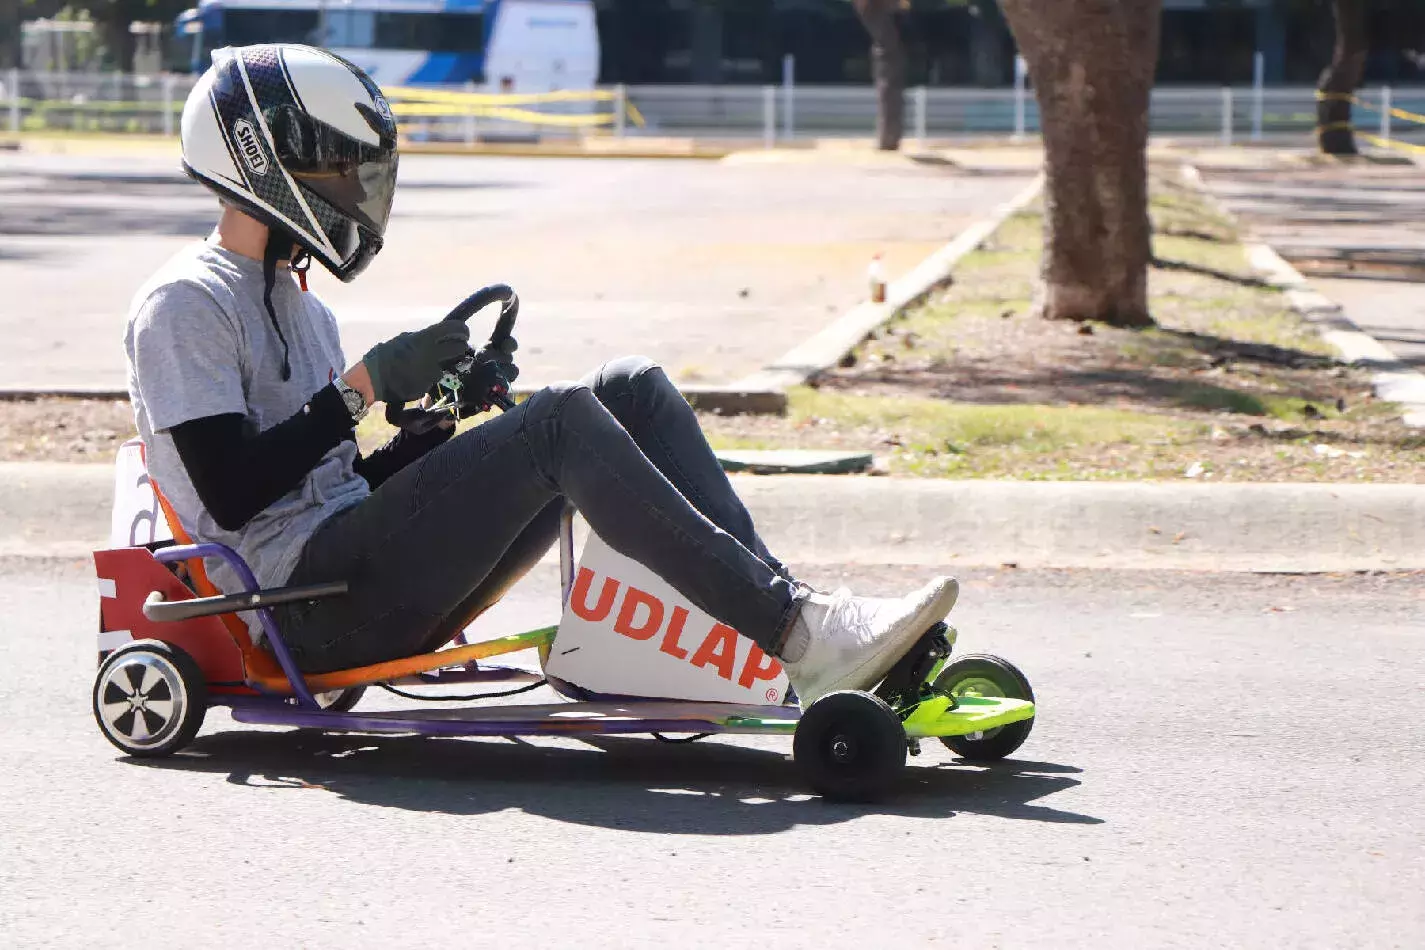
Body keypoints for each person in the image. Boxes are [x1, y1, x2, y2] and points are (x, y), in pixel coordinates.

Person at [124, 44, 959, 708]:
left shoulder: (305, 310)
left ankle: (797, 625)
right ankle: (803, 637)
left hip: (356, 571)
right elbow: (232, 496)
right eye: (338, 167)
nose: (354, 189)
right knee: (557, 421)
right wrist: (363, 387)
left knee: (623, 385)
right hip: (297, 610)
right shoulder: (184, 305)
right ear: (265, 162)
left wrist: (436, 429)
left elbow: (336, 487)